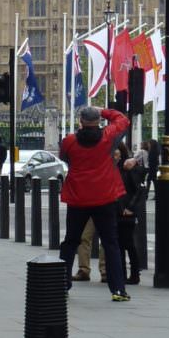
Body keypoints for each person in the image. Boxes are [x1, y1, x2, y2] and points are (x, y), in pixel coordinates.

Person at [58, 105, 131, 302]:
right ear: (98, 121)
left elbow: (65, 157)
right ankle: (118, 289)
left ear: (80, 122)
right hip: (104, 196)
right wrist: (104, 111)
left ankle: (62, 284)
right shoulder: (108, 137)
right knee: (110, 243)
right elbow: (123, 120)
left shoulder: (70, 141)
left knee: (71, 241)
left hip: (78, 196)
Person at [116, 141, 145, 286]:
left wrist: (131, 208)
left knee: (128, 243)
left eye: (116, 152)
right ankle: (121, 273)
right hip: (115, 210)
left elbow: (139, 190)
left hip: (126, 211)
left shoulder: (129, 168)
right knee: (119, 244)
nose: (114, 155)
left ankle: (134, 274)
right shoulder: (112, 168)